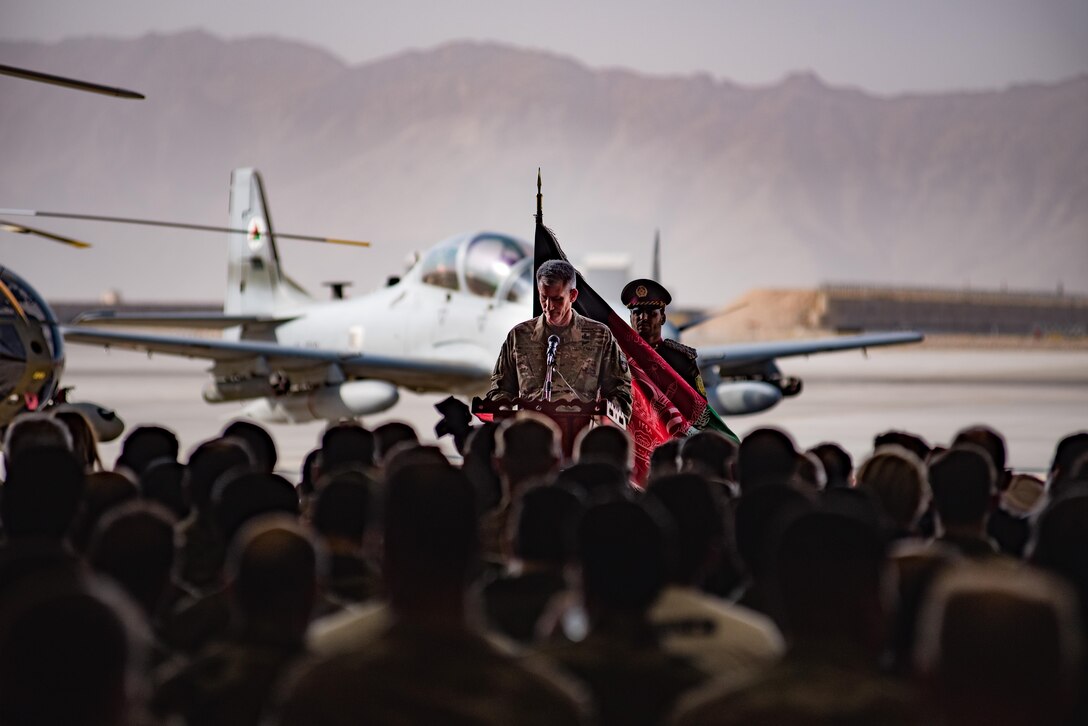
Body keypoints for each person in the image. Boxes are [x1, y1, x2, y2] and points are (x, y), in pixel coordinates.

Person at [485, 260, 631, 420]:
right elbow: (500, 390)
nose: (549, 306)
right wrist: (504, 410)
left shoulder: (600, 336)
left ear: (573, 295)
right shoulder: (519, 336)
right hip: (529, 434)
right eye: (543, 297)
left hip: (579, 434)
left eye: (557, 299)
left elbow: (620, 390)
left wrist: (605, 416)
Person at [620, 278, 706, 398]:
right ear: (630, 318)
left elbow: (699, 405)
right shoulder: (620, 357)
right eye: (637, 312)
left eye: (651, 312)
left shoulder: (681, 359)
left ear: (663, 318)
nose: (643, 317)